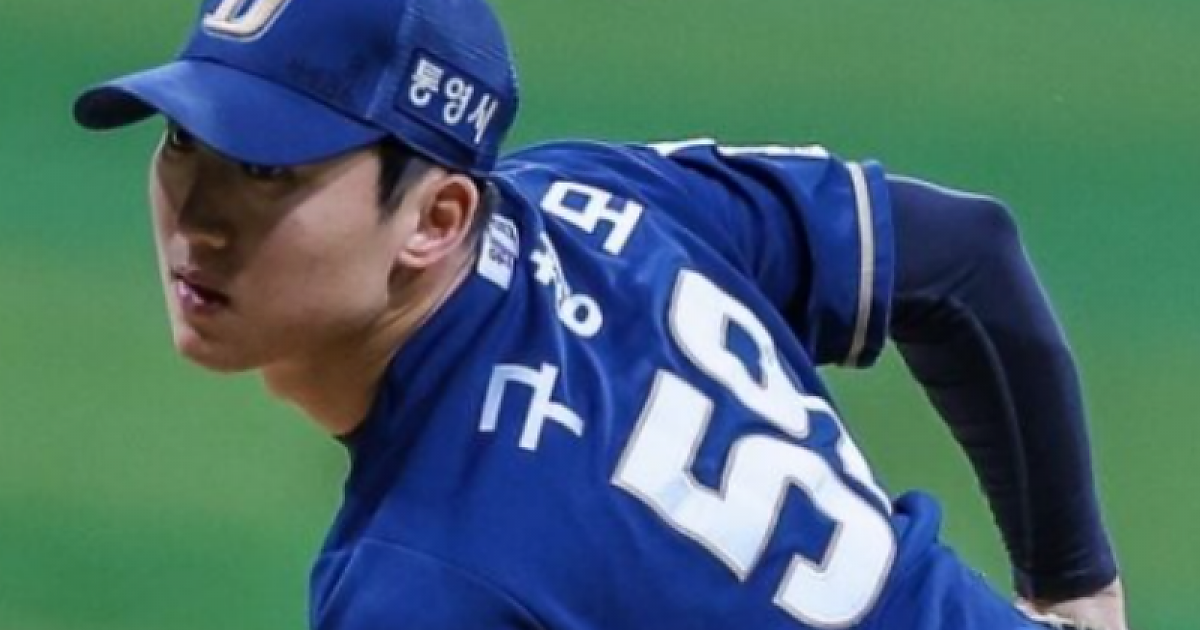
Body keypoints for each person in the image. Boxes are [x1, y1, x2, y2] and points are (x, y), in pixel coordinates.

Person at [73, 0, 1130, 628]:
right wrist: (1077, 592)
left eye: (266, 170)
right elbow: (961, 258)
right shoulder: (597, 202)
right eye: (184, 141)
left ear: (436, 219)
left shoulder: (424, 578)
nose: (196, 218)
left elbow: (963, 261)